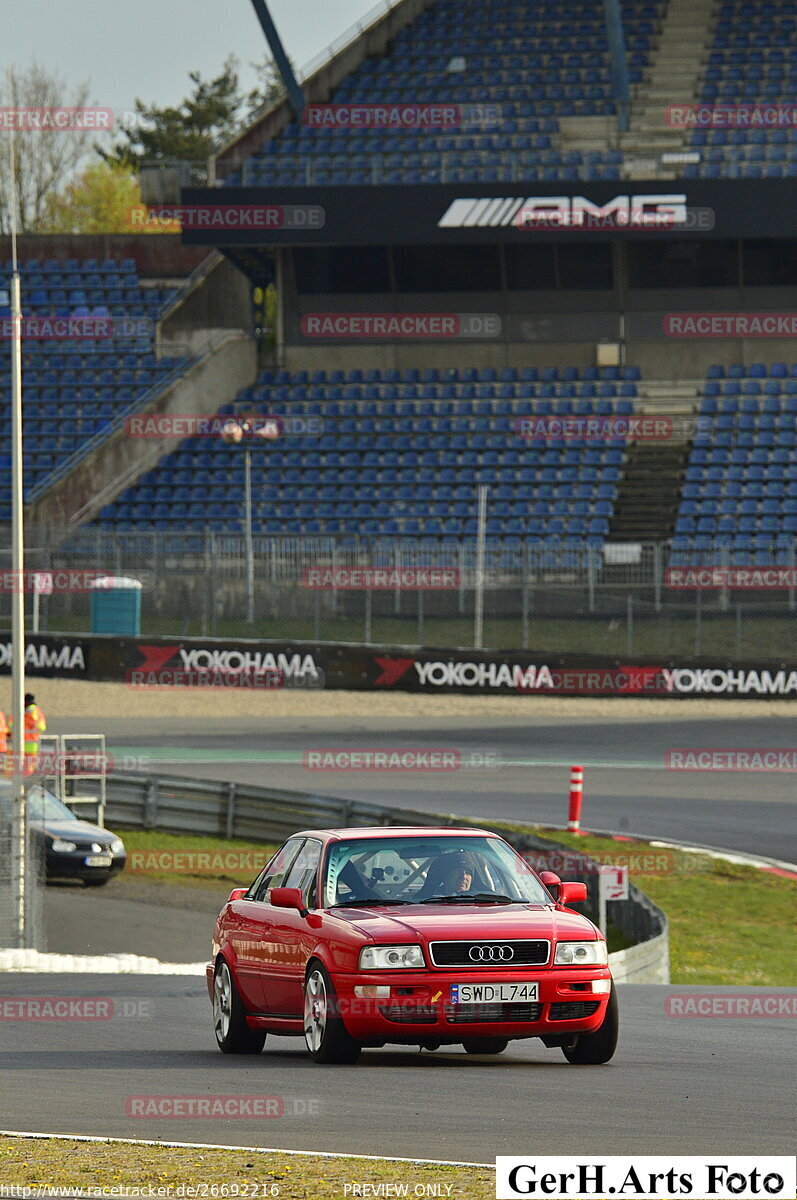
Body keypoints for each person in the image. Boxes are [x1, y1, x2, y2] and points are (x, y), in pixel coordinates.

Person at [9, 693, 47, 777]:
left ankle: (19, 783)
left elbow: (11, 726)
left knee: (16, 768)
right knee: (28, 768)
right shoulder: (37, 712)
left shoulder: (20, 711)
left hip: (19, 744)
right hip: (31, 745)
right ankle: (25, 783)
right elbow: (42, 727)